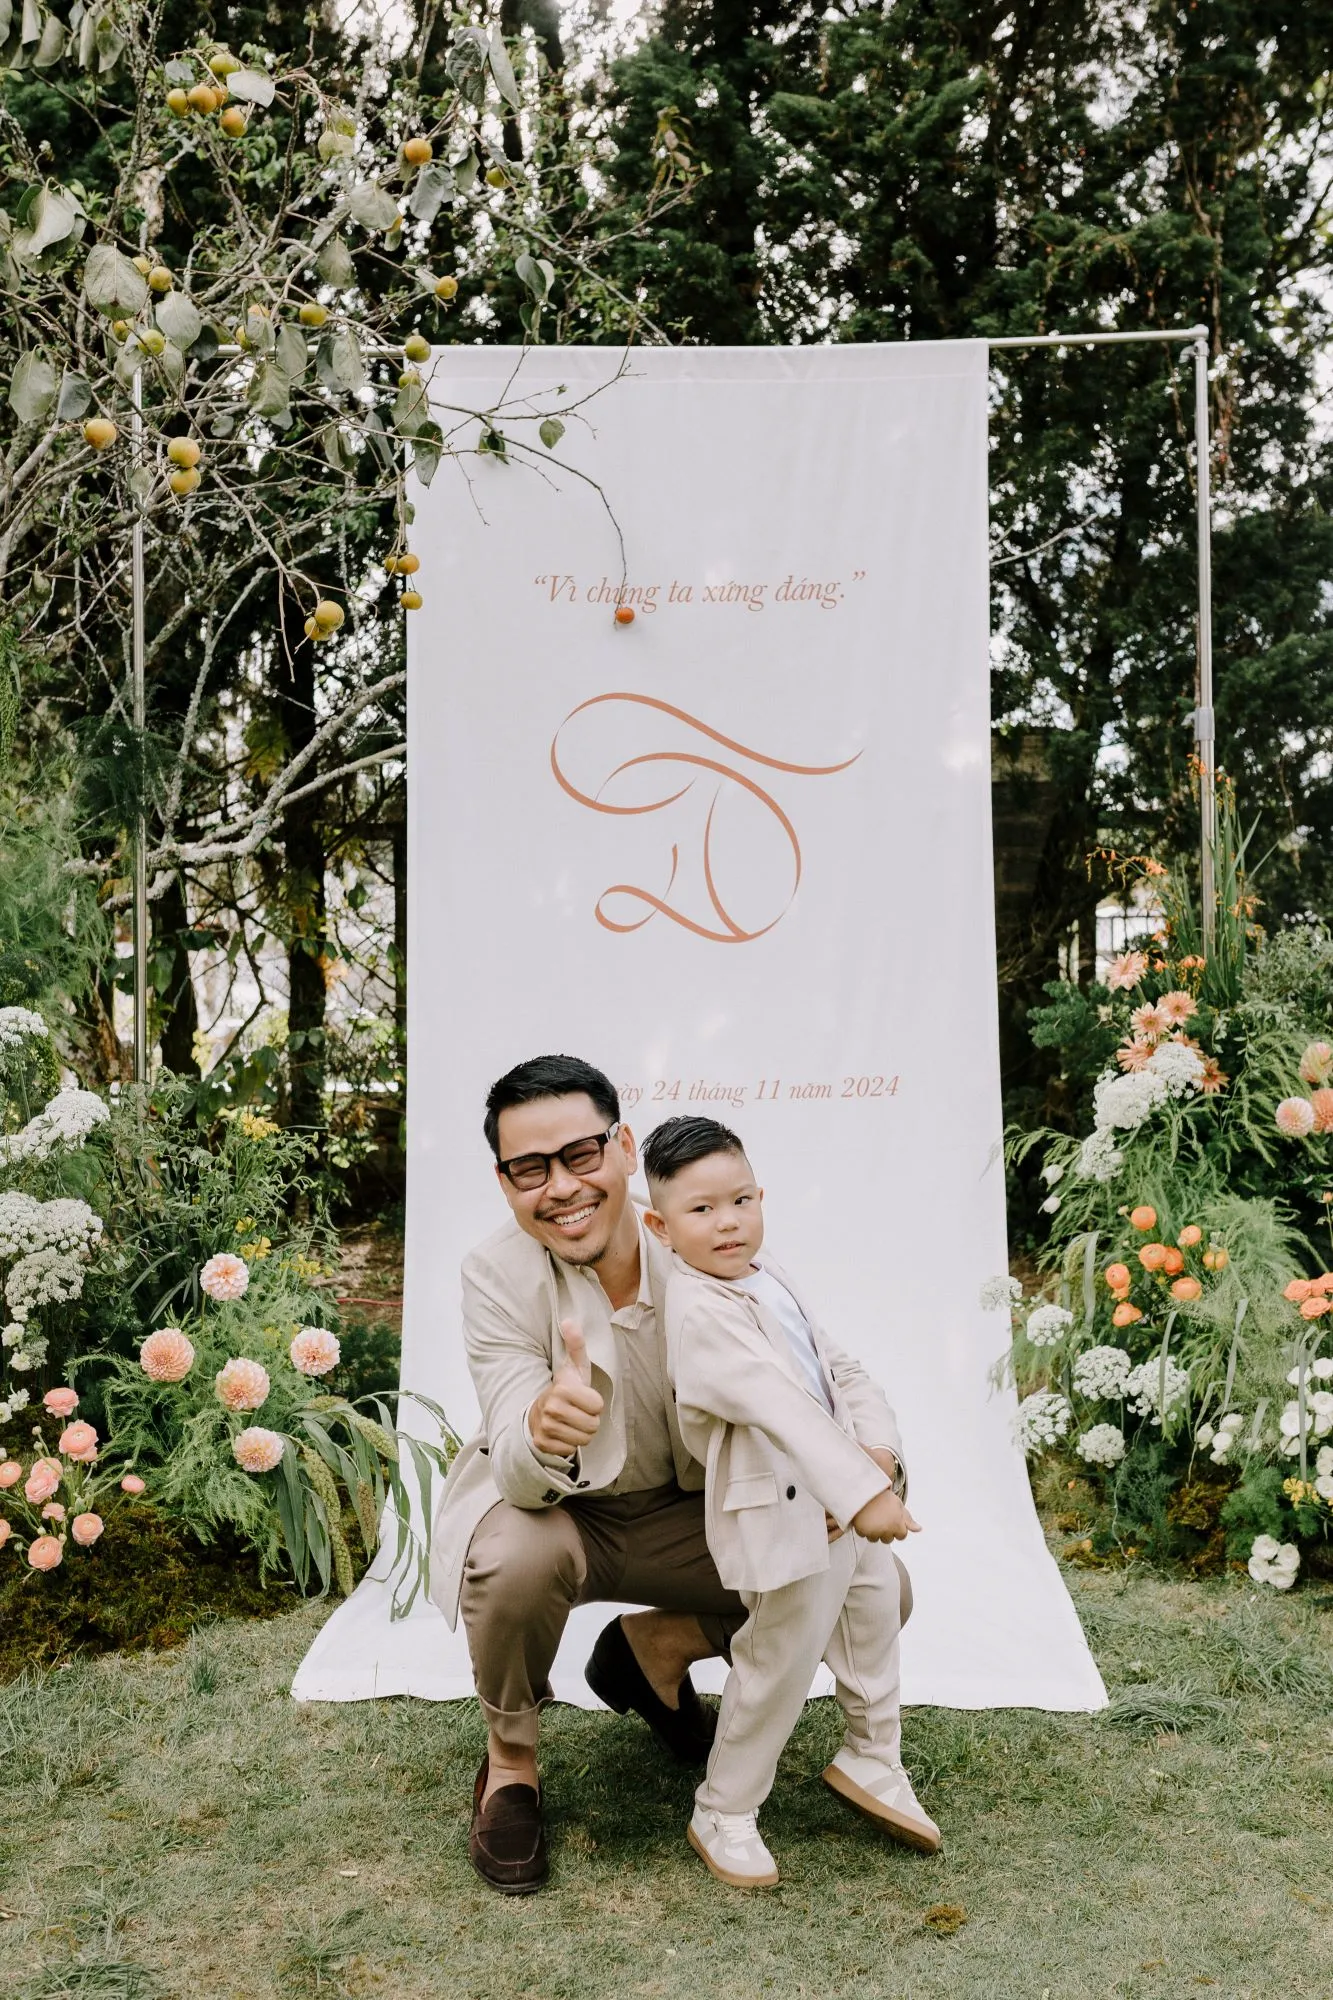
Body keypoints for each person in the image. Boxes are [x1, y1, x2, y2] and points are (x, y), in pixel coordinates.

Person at [430, 1055, 750, 1894]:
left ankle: (652, 1648)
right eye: (529, 1169)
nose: (562, 1187)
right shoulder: (492, 1273)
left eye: (580, 1155)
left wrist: (876, 1458)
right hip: (560, 1515)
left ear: (623, 1147)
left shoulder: (696, 1235)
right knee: (509, 1558)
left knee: (868, 1586)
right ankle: (510, 1765)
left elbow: (823, 1358)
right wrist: (542, 1430)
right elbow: (511, 1452)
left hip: (692, 1514)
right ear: (504, 1182)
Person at [641, 1113, 939, 1888]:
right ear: (660, 1226)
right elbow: (777, 1407)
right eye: (700, 1210)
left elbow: (839, 1372)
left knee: (871, 1626)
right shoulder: (698, 1311)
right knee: (778, 1659)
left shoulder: (767, 1275)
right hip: (781, 1511)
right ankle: (724, 1807)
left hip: (841, 1494)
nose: (727, 1222)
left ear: (760, 1196)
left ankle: (872, 1757)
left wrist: (877, 1457)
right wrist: (862, 1493)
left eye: (739, 1200)